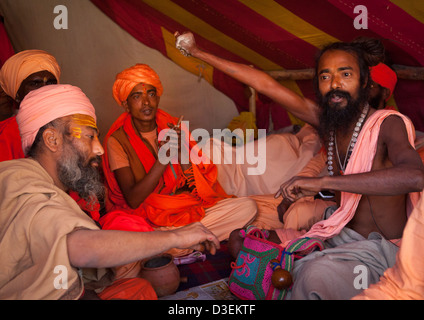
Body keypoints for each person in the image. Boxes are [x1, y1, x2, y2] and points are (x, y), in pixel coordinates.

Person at [175, 32, 424, 299]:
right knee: (240, 239)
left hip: (380, 248)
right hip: (337, 230)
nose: (335, 84)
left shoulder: (389, 123)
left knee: (313, 275)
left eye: (346, 75)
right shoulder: (330, 125)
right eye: (326, 76)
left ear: (365, 82)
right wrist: (198, 52)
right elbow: (267, 85)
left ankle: (303, 274)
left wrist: (322, 183)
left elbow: (414, 177)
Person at [0, 84, 220, 300]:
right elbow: (79, 247)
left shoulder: (35, 179)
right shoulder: (23, 184)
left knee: (140, 288)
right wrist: (175, 237)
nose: (99, 149)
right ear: (52, 139)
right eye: (89, 137)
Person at [0, 49, 60, 162]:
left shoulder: (72, 121)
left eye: (51, 83)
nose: (45, 89)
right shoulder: (7, 135)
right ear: (17, 95)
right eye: (35, 83)